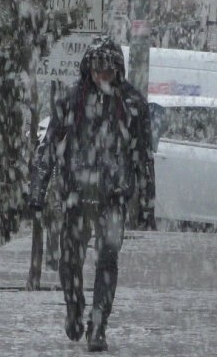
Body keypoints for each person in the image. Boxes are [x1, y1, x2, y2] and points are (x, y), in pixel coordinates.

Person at [29, 37, 156, 352]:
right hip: (76, 195)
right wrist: (38, 190)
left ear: (118, 69)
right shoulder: (72, 100)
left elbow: (143, 156)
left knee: (107, 260)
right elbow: (48, 147)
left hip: (113, 197)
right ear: (88, 68)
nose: (103, 73)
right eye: (97, 66)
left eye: (109, 67)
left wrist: (147, 203)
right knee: (70, 260)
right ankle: (74, 306)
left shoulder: (132, 104)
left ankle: (99, 325)